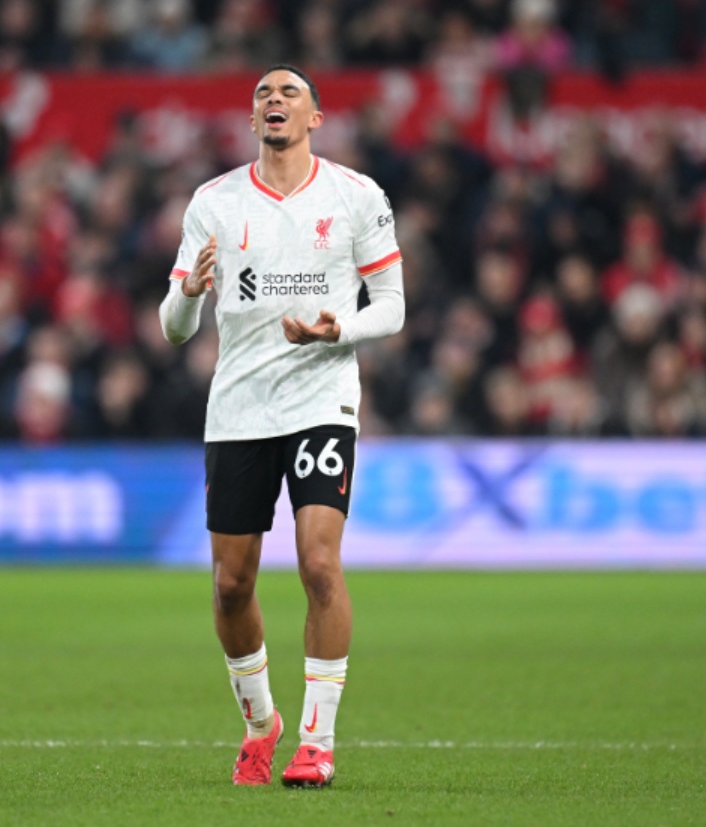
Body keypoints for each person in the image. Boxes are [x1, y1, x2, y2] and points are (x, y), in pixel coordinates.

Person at [159, 65, 405, 789]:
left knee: (319, 563)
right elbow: (174, 328)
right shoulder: (214, 202)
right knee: (231, 583)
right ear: (252, 119)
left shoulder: (356, 196)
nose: (274, 99)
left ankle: (316, 742)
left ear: (315, 118)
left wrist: (338, 330)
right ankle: (260, 723)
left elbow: (392, 305)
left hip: (321, 398)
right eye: (263, 93)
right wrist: (189, 293)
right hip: (239, 407)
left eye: (289, 92)